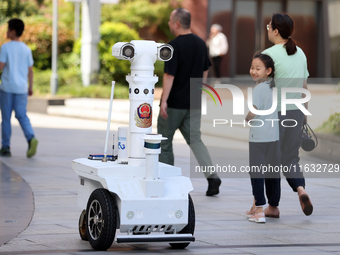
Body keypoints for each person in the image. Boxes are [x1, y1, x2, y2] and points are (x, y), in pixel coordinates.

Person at [157, 8, 221, 196]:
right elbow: (205, 70)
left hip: (174, 102)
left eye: (170, 20)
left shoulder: (173, 46)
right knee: (196, 140)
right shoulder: (201, 43)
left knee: (165, 141)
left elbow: (169, 75)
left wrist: (163, 101)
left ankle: (166, 180)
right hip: (193, 100)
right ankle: (212, 177)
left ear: (177, 23)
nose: (169, 23)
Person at [262, 13, 312, 216]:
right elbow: (304, 86)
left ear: (276, 30)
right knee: (291, 158)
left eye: (269, 25)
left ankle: (273, 207)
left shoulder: (267, 55)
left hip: (274, 113)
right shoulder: (300, 53)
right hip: (296, 111)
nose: (267, 28)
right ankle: (300, 189)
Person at [245, 53, 281, 223]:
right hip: (273, 137)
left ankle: (259, 209)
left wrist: (246, 118)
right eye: (252, 67)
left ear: (268, 71)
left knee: (256, 173)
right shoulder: (271, 87)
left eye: (258, 68)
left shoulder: (258, 89)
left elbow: (253, 112)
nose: (253, 71)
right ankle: (268, 206)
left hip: (258, 138)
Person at [0, 18, 38, 158]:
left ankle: (5, 147)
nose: (6, 32)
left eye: (8, 29)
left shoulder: (5, 47)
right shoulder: (26, 49)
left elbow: (1, 67)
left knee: (6, 118)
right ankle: (31, 138)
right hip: (22, 88)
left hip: (7, 88)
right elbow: (30, 70)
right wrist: (31, 87)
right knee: (22, 116)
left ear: (13, 31)